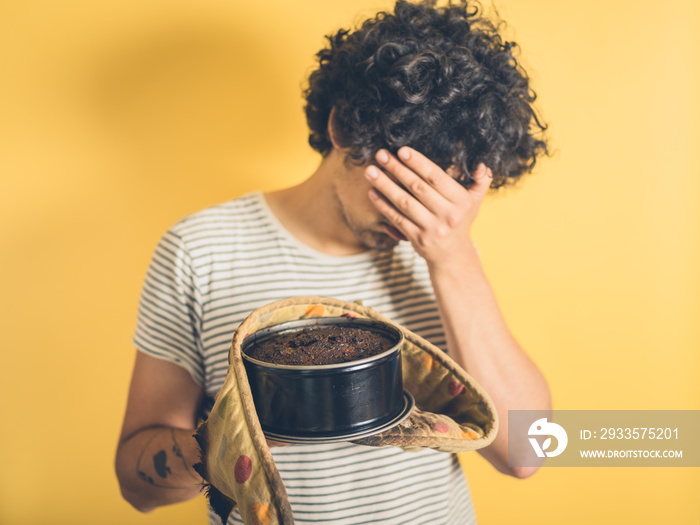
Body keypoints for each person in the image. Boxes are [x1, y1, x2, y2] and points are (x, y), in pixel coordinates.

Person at [115, 1, 552, 523]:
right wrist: (231, 441)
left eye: (443, 187)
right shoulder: (200, 249)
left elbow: (528, 453)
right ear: (345, 127)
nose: (417, 212)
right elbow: (136, 485)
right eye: (407, 183)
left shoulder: (444, 253)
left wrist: (455, 259)